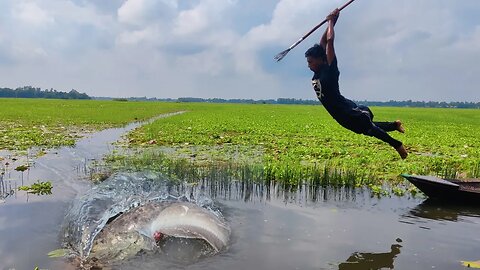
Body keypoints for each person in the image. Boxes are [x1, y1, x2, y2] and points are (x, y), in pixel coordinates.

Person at [305, 8, 408, 159]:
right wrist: (333, 20)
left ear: (320, 59)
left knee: (368, 128)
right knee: (365, 128)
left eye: (310, 62)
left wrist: (330, 22)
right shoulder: (318, 71)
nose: (308, 65)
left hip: (345, 110)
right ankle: (394, 125)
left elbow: (330, 41)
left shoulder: (330, 70)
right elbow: (323, 42)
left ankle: (397, 145)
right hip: (340, 113)